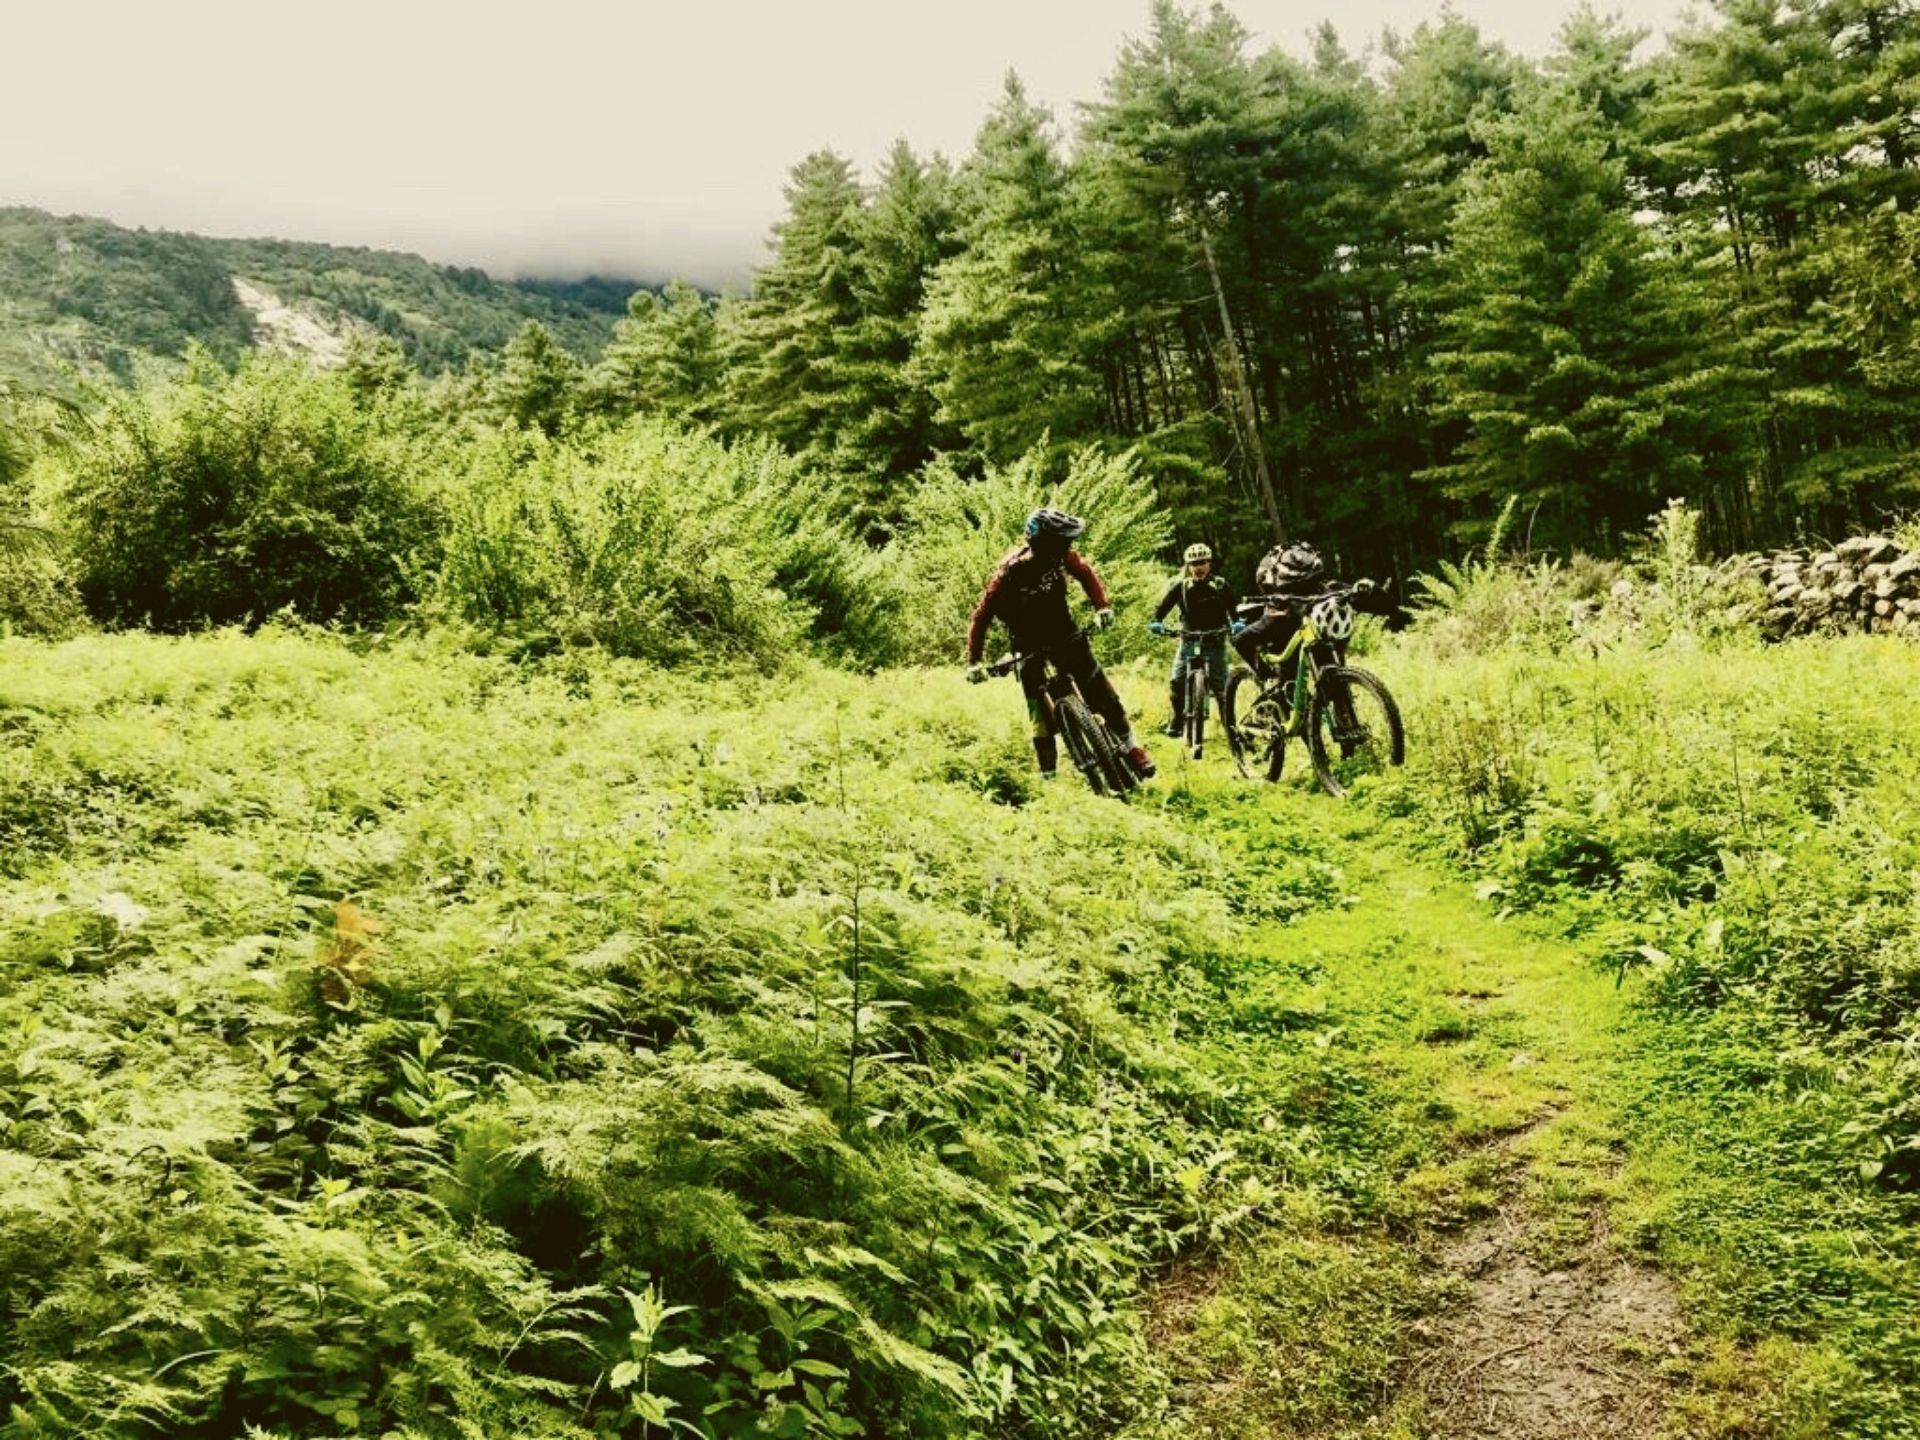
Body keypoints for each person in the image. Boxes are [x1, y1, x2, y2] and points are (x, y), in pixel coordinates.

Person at [965, 508, 1156, 780]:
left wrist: (1102, 607)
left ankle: (1132, 747)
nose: (1069, 547)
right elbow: (981, 618)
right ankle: (1049, 777)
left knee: (1098, 688)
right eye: (1062, 542)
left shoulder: (1061, 555)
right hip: (1026, 641)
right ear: (1043, 545)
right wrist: (974, 662)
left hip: (1063, 629)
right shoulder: (1008, 575)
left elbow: (1085, 573)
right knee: (1039, 715)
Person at [1148, 542, 1242, 740]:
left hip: (1215, 640)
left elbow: (1234, 610)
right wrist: (1156, 622)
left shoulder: (1220, 585)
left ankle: (1231, 728)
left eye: (1202, 562)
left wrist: (1237, 624)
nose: (1198, 567)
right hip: (1188, 639)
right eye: (1193, 564)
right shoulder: (1181, 587)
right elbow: (1162, 607)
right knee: (1176, 683)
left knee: (1222, 689)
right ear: (1188, 566)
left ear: (1209, 564)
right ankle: (1177, 719)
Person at [1232, 541, 1327, 692]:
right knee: (1288, 682)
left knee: (1293, 680)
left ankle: (1271, 679)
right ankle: (1269, 680)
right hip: (1284, 626)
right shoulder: (1316, 584)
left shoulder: (1280, 587)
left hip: (1293, 626)